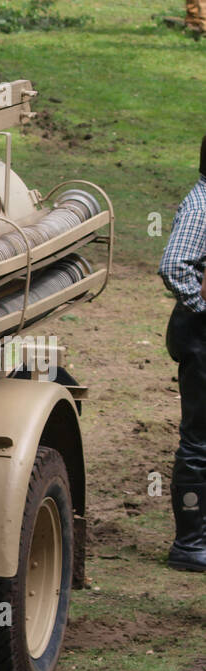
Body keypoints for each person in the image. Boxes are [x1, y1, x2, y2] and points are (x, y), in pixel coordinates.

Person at [158, 135, 206, 571]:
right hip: (202, 336)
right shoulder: (201, 206)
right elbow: (174, 263)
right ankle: (190, 544)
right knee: (200, 440)